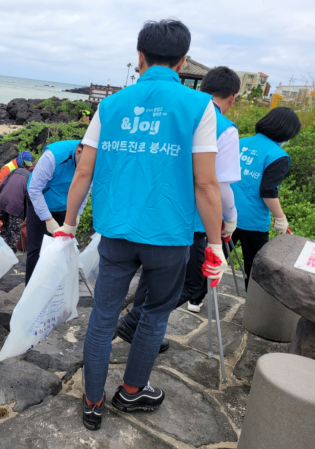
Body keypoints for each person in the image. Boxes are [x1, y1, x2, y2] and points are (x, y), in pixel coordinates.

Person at [56, 19, 226, 431]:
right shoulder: (198, 105)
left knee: (103, 315)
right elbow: (205, 182)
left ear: (139, 57)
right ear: (183, 60)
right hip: (168, 238)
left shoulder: (111, 105)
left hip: (115, 232)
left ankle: (92, 402)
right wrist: (216, 244)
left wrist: (68, 223)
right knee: (153, 316)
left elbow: (84, 172)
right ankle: (132, 392)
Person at [116, 66, 243, 354]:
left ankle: (141, 329)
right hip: (195, 221)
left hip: (158, 212)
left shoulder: (178, 112)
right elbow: (218, 185)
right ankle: (138, 322)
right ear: (232, 98)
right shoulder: (223, 127)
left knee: (151, 278)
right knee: (191, 282)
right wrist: (231, 219)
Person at [230, 107, 301, 288]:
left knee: (214, 256)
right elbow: (268, 191)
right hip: (252, 220)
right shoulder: (278, 155)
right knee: (255, 267)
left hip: (224, 212)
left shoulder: (240, 143)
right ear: (286, 132)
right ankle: (253, 310)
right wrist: (280, 218)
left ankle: (195, 299)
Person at [25, 140, 90, 284]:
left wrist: (77, 214)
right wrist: (48, 219)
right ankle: (31, 291)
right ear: (78, 152)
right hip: (40, 201)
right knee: (36, 249)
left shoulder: (94, 157)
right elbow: (34, 189)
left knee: (63, 246)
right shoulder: (54, 156)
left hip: (65, 204)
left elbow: (86, 188)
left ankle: (56, 288)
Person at [0, 165, 31, 251]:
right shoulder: (31, 178)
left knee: (3, 228)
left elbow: (1, 185)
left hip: (2, 202)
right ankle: (10, 253)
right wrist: (25, 216)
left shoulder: (15, 171)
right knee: (14, 233)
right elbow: (28, 198)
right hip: (15, 206)